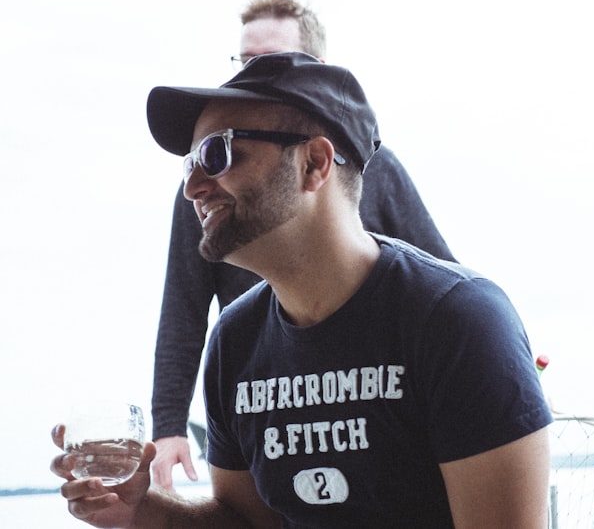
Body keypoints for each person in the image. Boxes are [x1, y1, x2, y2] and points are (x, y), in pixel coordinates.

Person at [52, 52, 552, 527]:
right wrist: (143, 510)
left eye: (216, 152)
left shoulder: (458, 322)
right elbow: (245, 525)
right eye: (189, 164)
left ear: (314, 163)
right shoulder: (236, 341)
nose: (193, 186)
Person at [151, 0, 457, 490]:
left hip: (375, 406)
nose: (246, 75)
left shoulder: (375, 171)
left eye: (267, 62)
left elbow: (439, 275)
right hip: (260, 405)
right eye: (242, 61)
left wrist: (488, 361)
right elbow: (182, 306)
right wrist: (167, 425)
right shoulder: (210, 192)